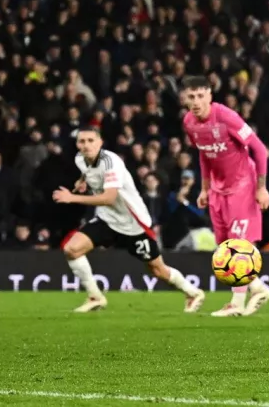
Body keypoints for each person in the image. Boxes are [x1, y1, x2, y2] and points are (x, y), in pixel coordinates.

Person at [55, 126, 205, 313]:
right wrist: (82, 181)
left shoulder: (111, 162)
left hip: (133, 224)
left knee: (157, 270)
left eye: (91, 141)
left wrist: (73, 197)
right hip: (107, 220)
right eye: (82, 141)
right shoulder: (80, 159)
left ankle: (192, 292)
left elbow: (109, 197)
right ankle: (95, 296)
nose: (86, 145)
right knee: (72, 249)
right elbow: (88, 172)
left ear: (100, 142)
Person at [182, 76, 269, 317]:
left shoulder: (225, 116)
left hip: (243, 184)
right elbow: (204, 155)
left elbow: (259, 149)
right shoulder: (189, 123)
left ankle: (236, 303)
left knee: (238, 245)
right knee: (223, 248)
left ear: (210, 96)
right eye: (191, 97)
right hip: (217, 190)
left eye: (201, 95)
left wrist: (261, 188)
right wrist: (204, 188)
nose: (196, 101)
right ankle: (258, 288)